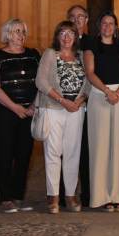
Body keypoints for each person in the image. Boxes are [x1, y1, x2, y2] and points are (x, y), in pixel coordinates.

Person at [36, 20, 91, 213]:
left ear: (76, 37)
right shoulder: (50, 54)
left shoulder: (81, 56)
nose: (67, 37)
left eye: (70, 33)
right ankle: (53, 196)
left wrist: (80, 100)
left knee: (73, 152)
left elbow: (89, 83)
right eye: (63, 33)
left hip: (76, 109)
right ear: (57, 36)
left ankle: (70, 195)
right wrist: (62, 100)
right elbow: (41, 81)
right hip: (53, 107)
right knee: (53, 152)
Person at [85, 11, 119, 210]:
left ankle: (118, 196)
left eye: (111, 23)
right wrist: (106, 90)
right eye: (104, 23)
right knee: (100, 146)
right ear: (99, 26)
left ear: (116, 26)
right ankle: (101, 196)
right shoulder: (91, 45)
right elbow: (90, 72)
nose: (107, 26)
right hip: (99, 95)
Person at [0, 18, 40, 213]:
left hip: (29, 111)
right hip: (5, 111)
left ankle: (18, 196)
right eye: (14, 32)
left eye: (21, 31)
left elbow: (42, 82)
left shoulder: (33, 54)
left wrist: (32, 106)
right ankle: (5, 198)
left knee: (24, 154)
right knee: (5, 154)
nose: (19, 35)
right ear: (6, 35)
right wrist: (15, 107)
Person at [66, 4, 92, 205]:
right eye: (73, 17)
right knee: (67, 150)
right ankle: (66, 193)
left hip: (90, 103)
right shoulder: (62, 43)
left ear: (86, 20)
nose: (77, 20)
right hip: (66, 105)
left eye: (80, 17)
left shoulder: (94, 42)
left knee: (88, 150)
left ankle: (89, 194)